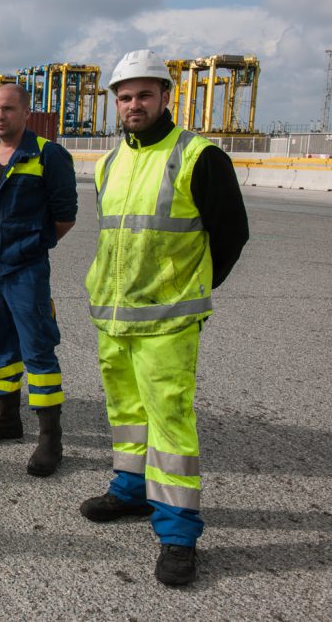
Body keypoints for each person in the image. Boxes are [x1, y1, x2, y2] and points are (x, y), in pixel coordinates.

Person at [80, 49, 249, 586]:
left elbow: (231, 235)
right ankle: (130, 492)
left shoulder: (198, 157)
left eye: (144, 94)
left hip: (168, 321)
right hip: (114, 316)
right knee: (126, 413)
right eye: (125, 97)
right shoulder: (109, 162)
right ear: (116, 104)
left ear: (165, 97)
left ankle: (177, 533)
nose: (134, 104)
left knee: (171, 423)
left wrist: (192, 289)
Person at [0, 83, 77, 477]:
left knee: (38, 349)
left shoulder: (49, 155)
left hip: (25, 269)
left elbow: (65, 217)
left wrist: (30, 247)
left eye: (8, 109)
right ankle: (7, 419)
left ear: (26, 112)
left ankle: (50, 437)